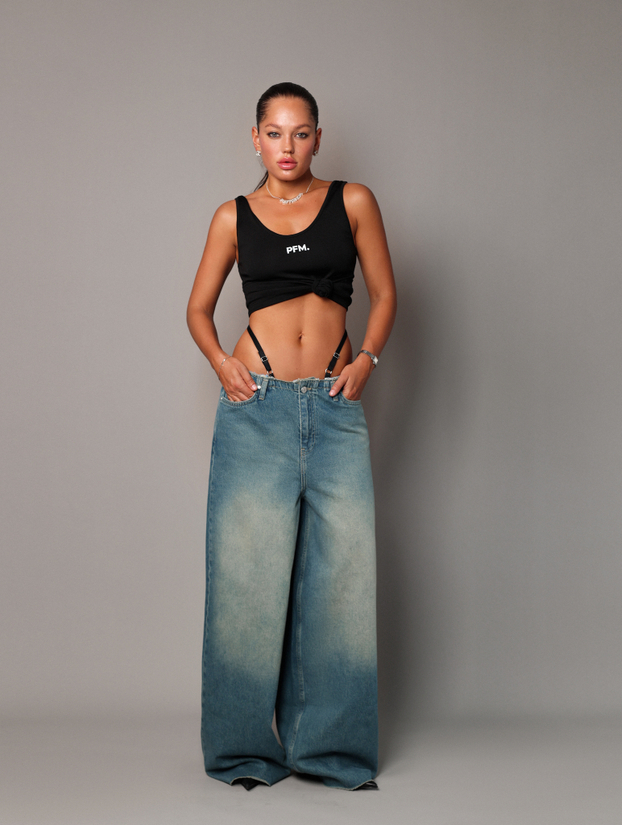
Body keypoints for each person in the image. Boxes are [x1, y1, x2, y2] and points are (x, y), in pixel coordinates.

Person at [187, 82, 396, 791]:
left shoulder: (353, 201)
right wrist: (223, 365)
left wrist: (368, 360)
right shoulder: (232, 216)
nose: (287, 146)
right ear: (256, 139)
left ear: (317, 138)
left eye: (300, 133)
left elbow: (386, 294)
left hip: (334, 407)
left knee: (342, 583)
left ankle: (332, 754)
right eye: (274, 133)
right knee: (245, 581)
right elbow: (197, 309)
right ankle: (243, 753)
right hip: (258, 408)